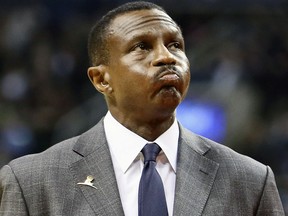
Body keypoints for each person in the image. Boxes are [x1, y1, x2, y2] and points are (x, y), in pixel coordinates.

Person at [0, 1, 285, 215]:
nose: (166, 57)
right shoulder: (32, 182)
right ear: (101, 79)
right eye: (141, 46)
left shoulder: (250, 180)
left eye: (175, 45)